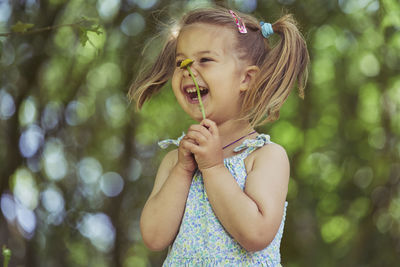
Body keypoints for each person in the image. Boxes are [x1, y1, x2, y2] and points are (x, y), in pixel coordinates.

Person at [129, 6, 309, 266]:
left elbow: (256, 233)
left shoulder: (265, 157)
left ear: (246, 79)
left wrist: (213, 167)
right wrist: (182, 170)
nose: (188, 69)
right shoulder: (176, 161)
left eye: (205, 60)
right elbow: (154, 238)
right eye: (181, 62)